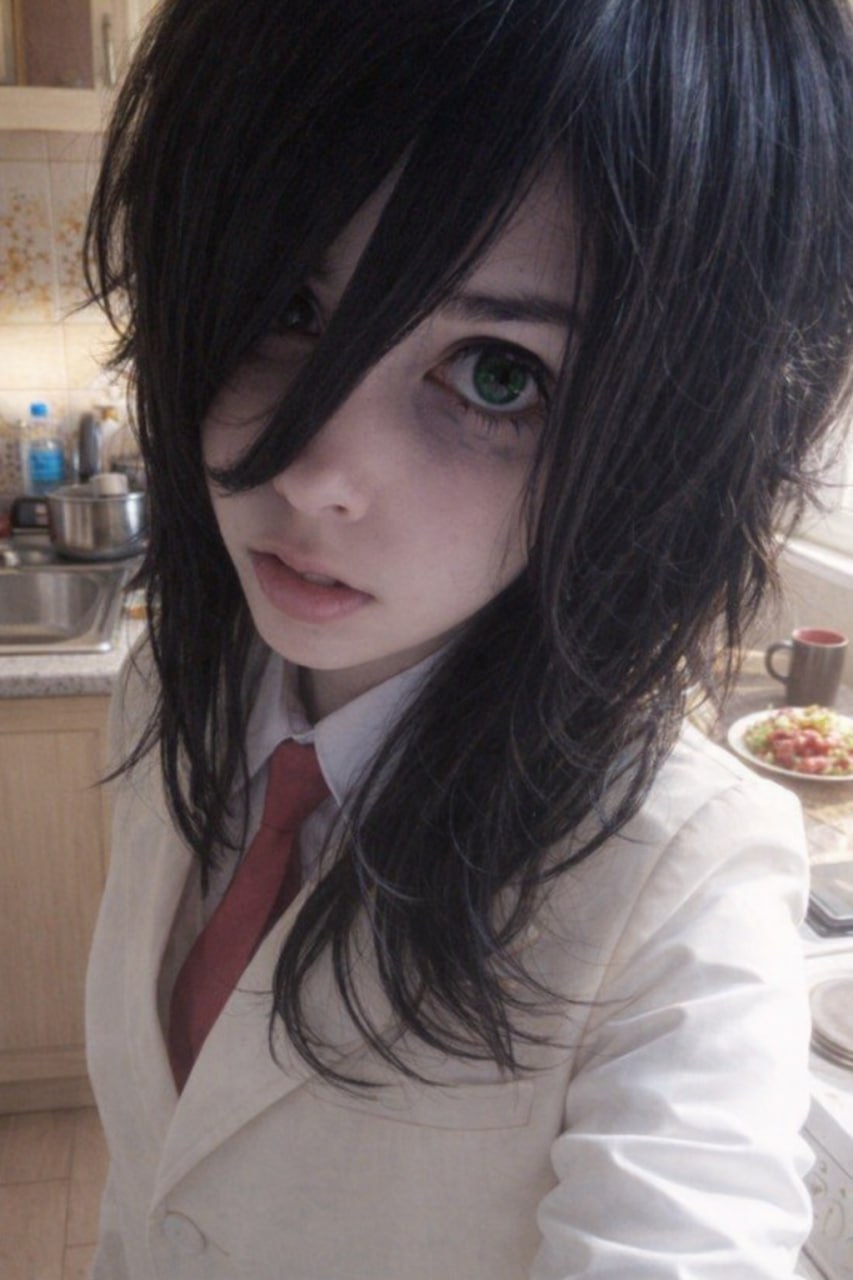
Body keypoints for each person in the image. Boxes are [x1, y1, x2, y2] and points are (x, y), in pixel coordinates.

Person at [83, 1, 853, 1276]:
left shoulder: (684, 878)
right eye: (285, 301)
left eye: (500, 372)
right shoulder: (172, 687)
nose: (318, 472)